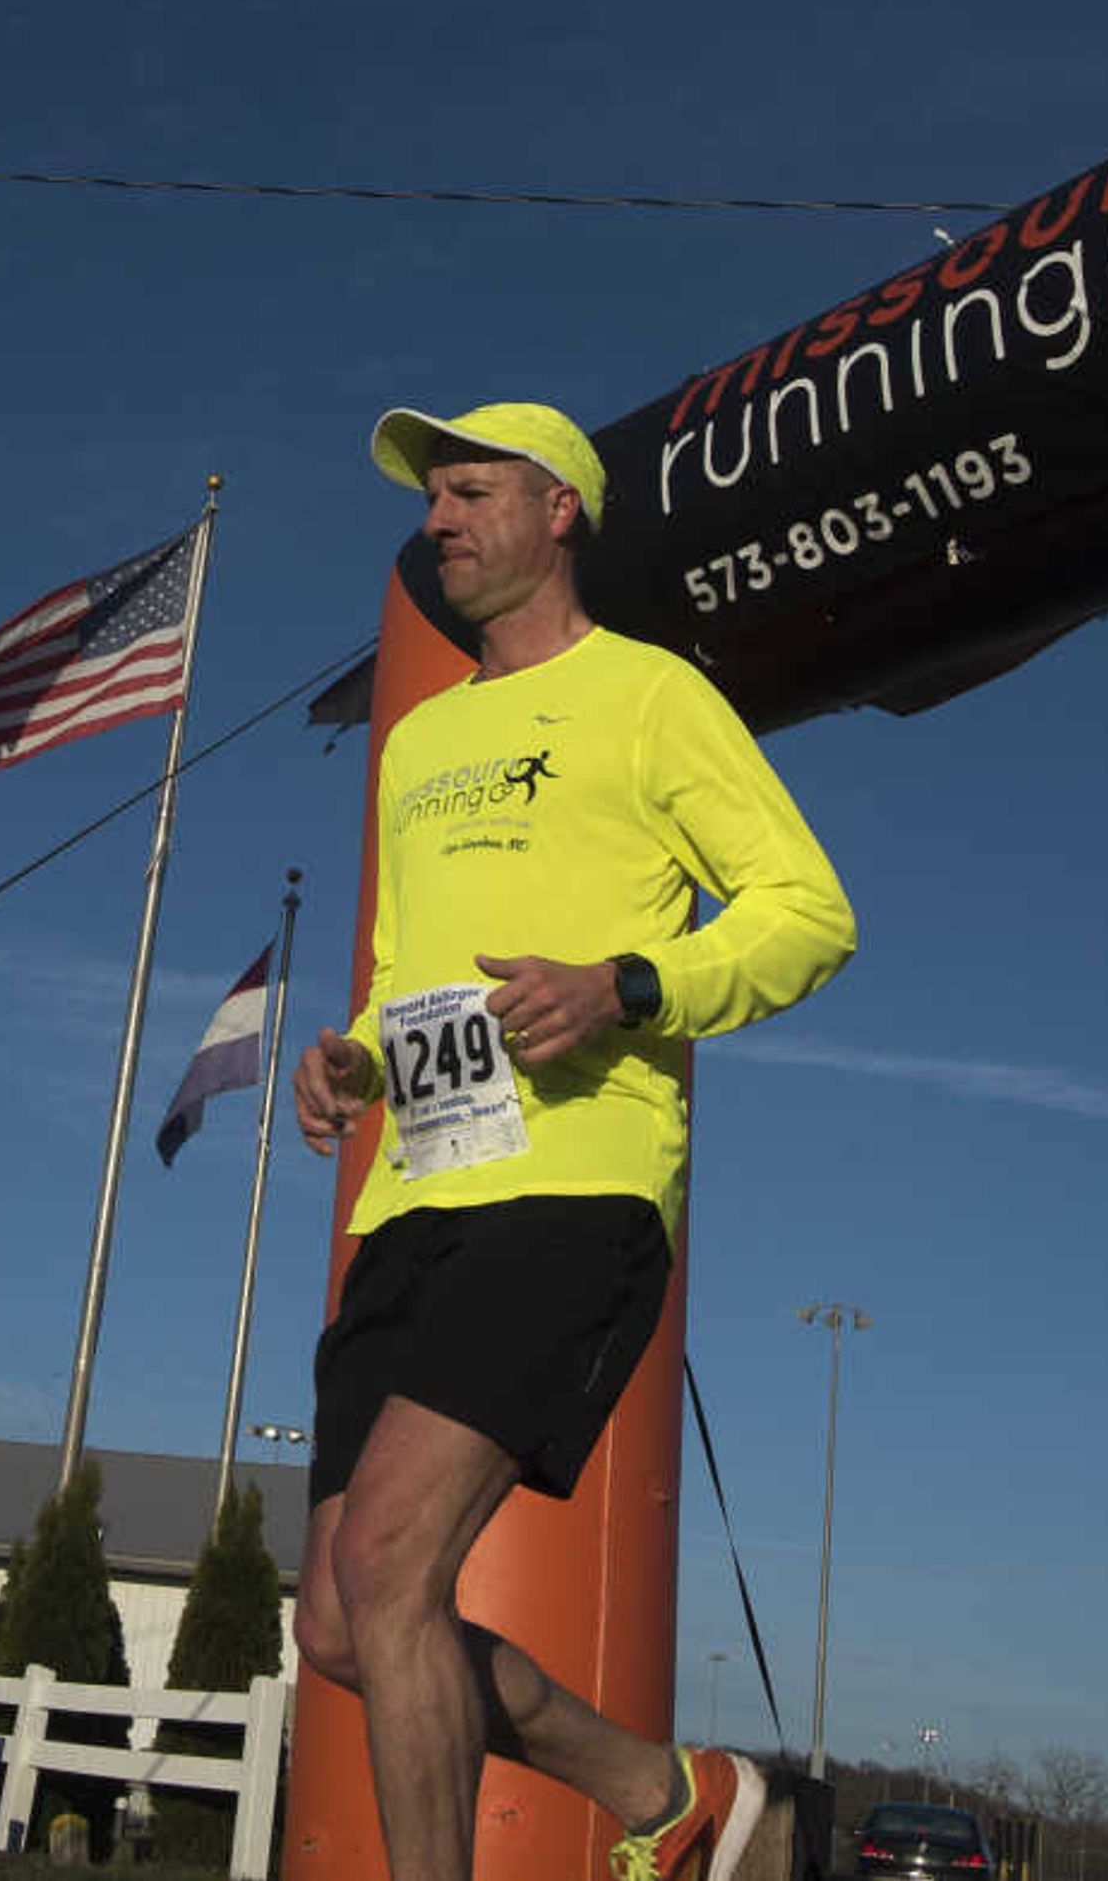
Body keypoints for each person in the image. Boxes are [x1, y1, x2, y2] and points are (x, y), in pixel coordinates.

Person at [286, 399, 856, 1881]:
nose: (437, 522)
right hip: (413, 1199)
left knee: (395, 1567)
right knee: (341, 1622)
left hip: (579, 1187)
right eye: (428, 503)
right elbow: (400, 973)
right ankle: (676, 1796)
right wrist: (349, 1059)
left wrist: (630, 985)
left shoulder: (652, 695)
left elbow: (809, 916)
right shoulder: (422, 740)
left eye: (468, 492)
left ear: (559, 512)